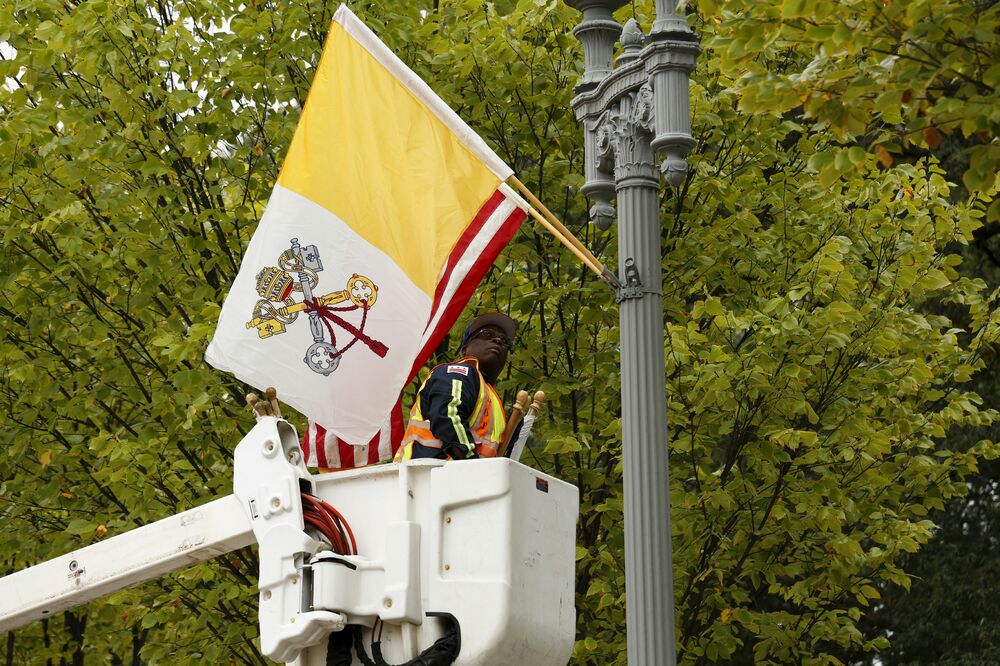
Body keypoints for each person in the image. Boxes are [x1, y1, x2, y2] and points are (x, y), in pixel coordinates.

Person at [394, 312, 516, 461]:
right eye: (486, 334)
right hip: (429, 471)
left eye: (504, 341)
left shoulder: (491, 398)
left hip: (458, 474)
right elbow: (448, 415)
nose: (497, 340)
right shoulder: (458, 372)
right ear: (465, 349)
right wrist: (471, 462)